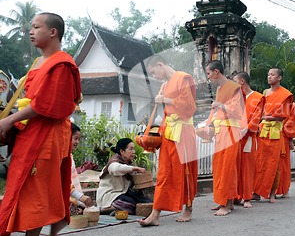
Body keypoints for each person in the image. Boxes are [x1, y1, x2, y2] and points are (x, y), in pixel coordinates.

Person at [0, 13, 81, 236]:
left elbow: (47, 104)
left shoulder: (62, 64)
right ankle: (57, 220)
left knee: (34, 184)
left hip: (48, 131)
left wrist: (9, 120)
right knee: (46, 181)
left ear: (53, 32)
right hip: (31, 129)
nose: (31, 31)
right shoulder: (38, 61)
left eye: (36, 27)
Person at [138, 55, 197, 226]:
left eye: (153, 72)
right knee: (164, 173)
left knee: (185, 171)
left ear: (161, 64)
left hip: (184, 131)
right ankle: (155, 214)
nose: (154, 75)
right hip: (169, 131)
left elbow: (190, 107)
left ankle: (188, 208)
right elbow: (166, 113)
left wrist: (166, 99)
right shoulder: (164, 85)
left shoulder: (183, 78)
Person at [202, 61, 245, 216]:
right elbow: (217, 112)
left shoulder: (234, 88)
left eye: (208, 73)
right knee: (220, 166)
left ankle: (227, 204)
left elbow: (238, 111)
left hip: (231, 131)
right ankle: (225, 201)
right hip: (221, 131)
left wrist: (221, 105)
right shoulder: (220, 89)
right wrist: (208, 127)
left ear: (216, 72)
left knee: (227, 166)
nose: (208, 77)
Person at [254, 68, 294, 203]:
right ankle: (257, 192)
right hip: (263, 130)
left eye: (272, 75)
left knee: (274, 163)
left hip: (276, 132)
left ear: (279, 78)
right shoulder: (265, 93)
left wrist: (266, 117)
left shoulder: (285, 94)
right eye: (268, 74)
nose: (269, 77)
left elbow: (283, 115)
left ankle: (272, 193)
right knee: (259, 162)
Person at [232, 71, 264, 208]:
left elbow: (257, 117)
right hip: (235, 135)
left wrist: (246, 129)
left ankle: (247, 197)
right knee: (236, 167)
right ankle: (235, 195)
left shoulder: (258, 97)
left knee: (247, 167)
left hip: (248, 135)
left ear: (242, 81)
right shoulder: (237, 97)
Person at [96, 138, 152, 215]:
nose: (134, 152)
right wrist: (134, 168)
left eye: (134, 149)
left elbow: (131, 184)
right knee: (129, 203)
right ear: (122, 151)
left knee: (148, 202)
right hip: (110, 194)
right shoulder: (113, 162)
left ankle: (117, 210)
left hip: (124, 193)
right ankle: (105, 210)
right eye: (131, 149)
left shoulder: (129, 163)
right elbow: (115, 169)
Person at [69, 123, 92, 215]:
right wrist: (79, 199)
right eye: (75, 138)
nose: (77, 142)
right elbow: (61, 184)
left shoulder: (69, 156)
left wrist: (80, 201)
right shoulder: (60, 157)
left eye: (79, 139)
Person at [277, 102, 295, 198]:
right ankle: (271, 190)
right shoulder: (269, 102)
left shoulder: (291, 106)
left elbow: (291, 123)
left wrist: (290, 139)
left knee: (284, 164)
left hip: (283, 137)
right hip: (269, 135)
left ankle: (285, 189)